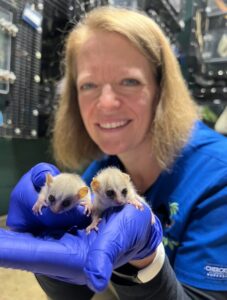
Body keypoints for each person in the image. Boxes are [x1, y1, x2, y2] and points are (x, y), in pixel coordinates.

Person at [0, 5, 227, 300]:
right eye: (89, 85)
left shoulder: (217, 176)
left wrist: (146, 262)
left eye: (129, 81)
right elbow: (78, 288)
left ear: (161, 89)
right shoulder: (101, 170)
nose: (106, 104)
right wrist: (52, 264)